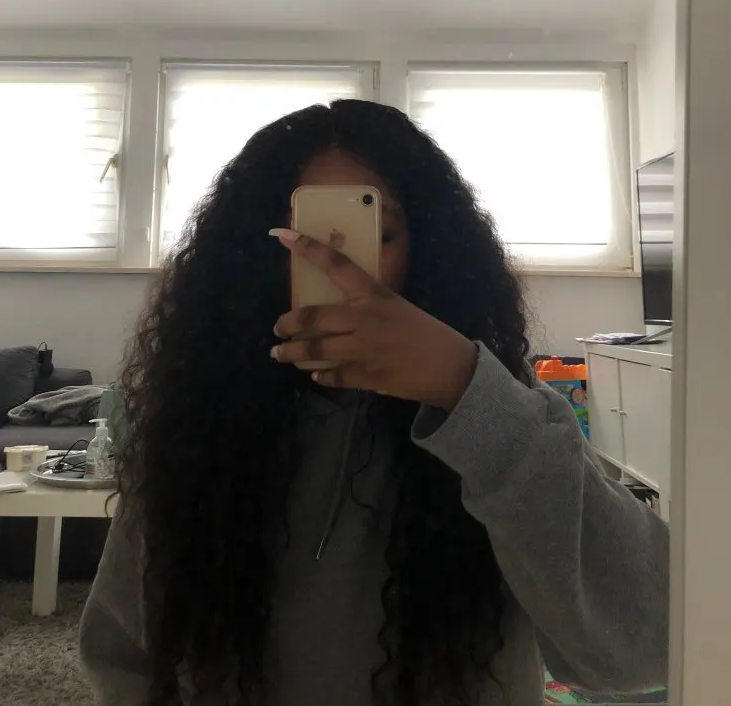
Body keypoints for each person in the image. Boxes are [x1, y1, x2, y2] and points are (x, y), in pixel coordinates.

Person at [80, 99, 669, 706]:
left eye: (373, 235)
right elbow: (125, 651)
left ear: (430, 247)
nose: (336, 265)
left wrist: (464, 388)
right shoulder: (197, 416)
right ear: (249, 256)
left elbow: (644, 645)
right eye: (299, 238)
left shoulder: (503, 405)